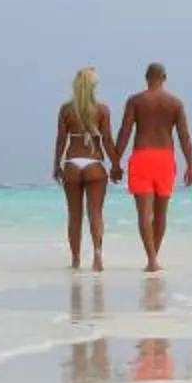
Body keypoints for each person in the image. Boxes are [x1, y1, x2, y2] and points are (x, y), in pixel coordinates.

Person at [112, 62, 192, 273]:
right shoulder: (175, 103)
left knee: (144, 213)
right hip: (165, 159)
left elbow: (125, 132)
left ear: (146, 77)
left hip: (141, 157)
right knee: (161, 215)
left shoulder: (136, 101)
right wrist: (191, 165)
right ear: (164, 77)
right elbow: (184, 136)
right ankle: (153, 259)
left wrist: (115, 161)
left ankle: (151, 259)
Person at [52, 66, 118, 271]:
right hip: (94, 165)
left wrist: (56, 164)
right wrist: (116, 164)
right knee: (95, 213)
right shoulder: (102, 109)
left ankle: (75, 259)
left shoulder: (66, 109)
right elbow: (107, 140)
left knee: (74, 215)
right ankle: (97, 255)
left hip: (72, 164)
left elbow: (61, 140)